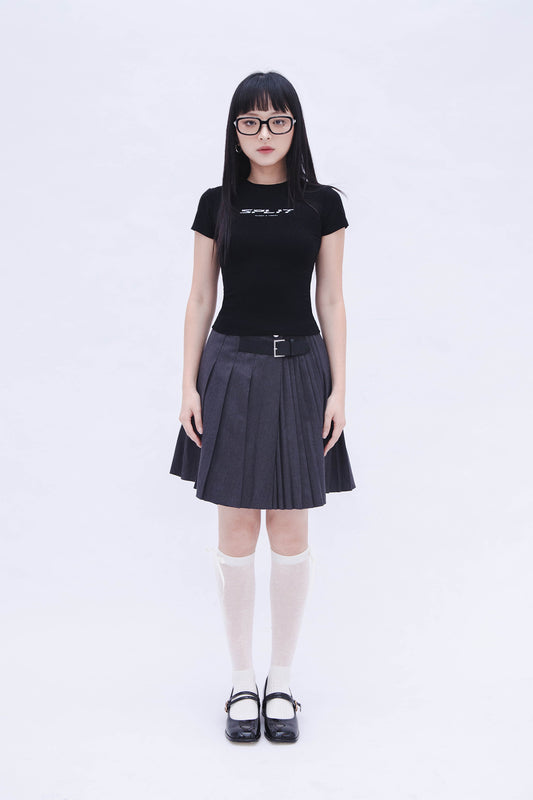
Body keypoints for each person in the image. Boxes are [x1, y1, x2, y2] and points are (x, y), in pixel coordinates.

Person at [169, 71, 356, 744]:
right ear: (235, 131)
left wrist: (339, 389)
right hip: (230, 367)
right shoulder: (216, 203)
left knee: (291, 534)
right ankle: (241, 680)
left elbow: (331, 299)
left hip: (302, 368)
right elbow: (200, 298)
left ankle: (282, 680)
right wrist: (188, 386)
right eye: (250, 122)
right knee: (237, 531)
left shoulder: (322, 205)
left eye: (277, 121)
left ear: (295, 127)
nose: (264, 134)